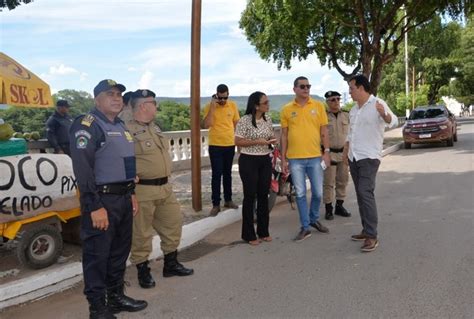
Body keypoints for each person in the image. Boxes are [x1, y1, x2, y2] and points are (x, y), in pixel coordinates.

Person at [69, 79, 147, 319]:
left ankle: (115, 298)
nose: (117, 98)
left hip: (123, 199)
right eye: (110, 94)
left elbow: (127, 164)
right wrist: (94, 206)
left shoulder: (121, 126)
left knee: (118, 252)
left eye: (119, 94)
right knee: (97, 256)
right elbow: (83, 170)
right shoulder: (87, 125)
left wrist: (131, 194)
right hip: (102, 201)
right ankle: (97, 307)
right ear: (97, 99)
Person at [125, 89, 194, 289]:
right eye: (153, 102)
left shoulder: (155, 128)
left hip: (165, 187)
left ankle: (171, 264)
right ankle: (142, 270)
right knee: (141, 232)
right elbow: (121, 159)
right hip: (143, 190)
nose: (156, 106)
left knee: (173, 223)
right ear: (143, 106)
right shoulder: (126, 130)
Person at [343, 74, 398, 252]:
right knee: (360, 194)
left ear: (361, 88)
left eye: (351, 88)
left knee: (365, 192)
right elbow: (350, 134)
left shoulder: (377, 104)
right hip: (354, 156)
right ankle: (366, 229)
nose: (349, 92)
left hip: (369, 157)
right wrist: (346, 152)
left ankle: (372, 235)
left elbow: (393, 121)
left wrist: (384, 114)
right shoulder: (354, 110)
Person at [280, 76, 330, 242]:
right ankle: (305, 227)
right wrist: (283, 158)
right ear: (294, 89)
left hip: (315, 157)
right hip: (295, 159)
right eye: (302, 86)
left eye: (308, 86)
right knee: (300, 194)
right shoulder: (287, 109)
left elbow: (324, 131)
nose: (306, 89)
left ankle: (314, 218)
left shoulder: (318, 106)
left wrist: (327, 152)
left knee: (318, 192)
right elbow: (284, 135)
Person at [234, 91, 275, 245]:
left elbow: (269, 137)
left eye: (268, 101)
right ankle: (249, 234)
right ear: (256, 105)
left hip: (265, 159)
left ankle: (263, 231)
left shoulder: (268, 119)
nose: (268, 105)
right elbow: (237, 141)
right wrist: (256, 141)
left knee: (264, 195)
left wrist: (271, 141)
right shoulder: (244, 120)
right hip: (248, 160)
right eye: (265, 103)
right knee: (250, 196)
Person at [203, 84, 240, 216]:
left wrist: (239, 141)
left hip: (229, 144)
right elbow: (207, 124)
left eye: (225, 98)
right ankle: (216, 204)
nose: (223, 101)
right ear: (216, 95)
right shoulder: (209, 106)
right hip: (215, 145)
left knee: (227, 174)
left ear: (228, 94)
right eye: (221, 98)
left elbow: (237, 124)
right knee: (216, 174)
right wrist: (213, 107)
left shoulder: (233, 105)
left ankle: (228, 200)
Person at [322, 91, 351, 220]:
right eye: (333, 99)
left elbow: (351, 133)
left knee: (343, 180)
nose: (336, 102)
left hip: (344, 153)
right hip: (330, 153)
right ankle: (329, 209)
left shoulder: (346, 115)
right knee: (328, 182)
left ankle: (340, 206)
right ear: (327, 102)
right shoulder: (323, 116)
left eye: (338, 99)